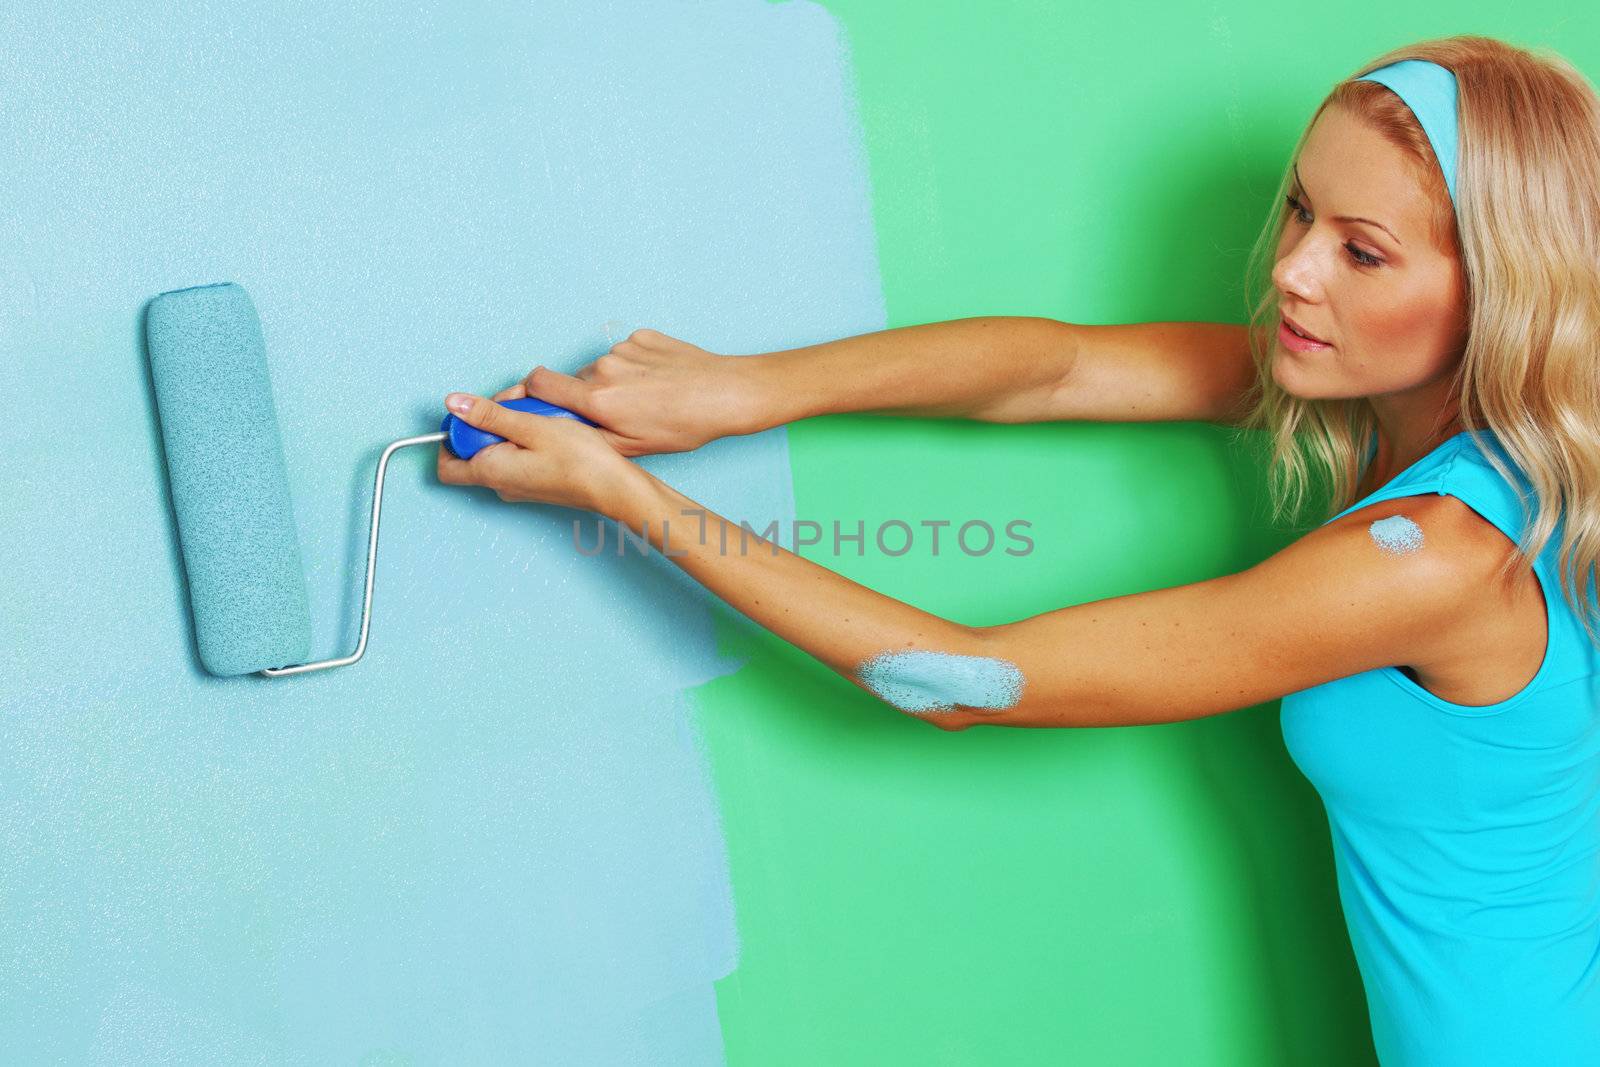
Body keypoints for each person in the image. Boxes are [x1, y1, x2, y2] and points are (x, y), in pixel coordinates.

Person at [436, 34, 1600, 1064]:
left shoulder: (1440, 556)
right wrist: (747, 391)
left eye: (1364, 252)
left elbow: (963, 680)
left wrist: (627, 497)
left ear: (1500, 292)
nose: (1292, 269)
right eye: (1302, 210)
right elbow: (1060, 369)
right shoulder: (1435, 415)